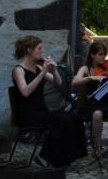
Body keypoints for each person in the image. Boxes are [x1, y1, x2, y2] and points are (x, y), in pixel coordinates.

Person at [11, 36, 87, 167]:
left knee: (73, 117)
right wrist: (43, 73)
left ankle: (70, 156)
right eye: (39, 48)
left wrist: (54, 70)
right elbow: (25, 92)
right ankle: (43, 157)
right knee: (61, 120)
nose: (42, 51)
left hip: (41, 112)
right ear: (29, 50)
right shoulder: (19, 70)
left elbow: (58, 83)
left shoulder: (38, 67)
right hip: (27, 115)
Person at [72, 41, 108, 157]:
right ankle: (97, 146)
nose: (103, 57)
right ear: (92, 55)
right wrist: (91, 77)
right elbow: (75, 81)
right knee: (97, 114)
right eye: (100, 54)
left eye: (104, 54)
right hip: (93, 102)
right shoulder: (86, 68)